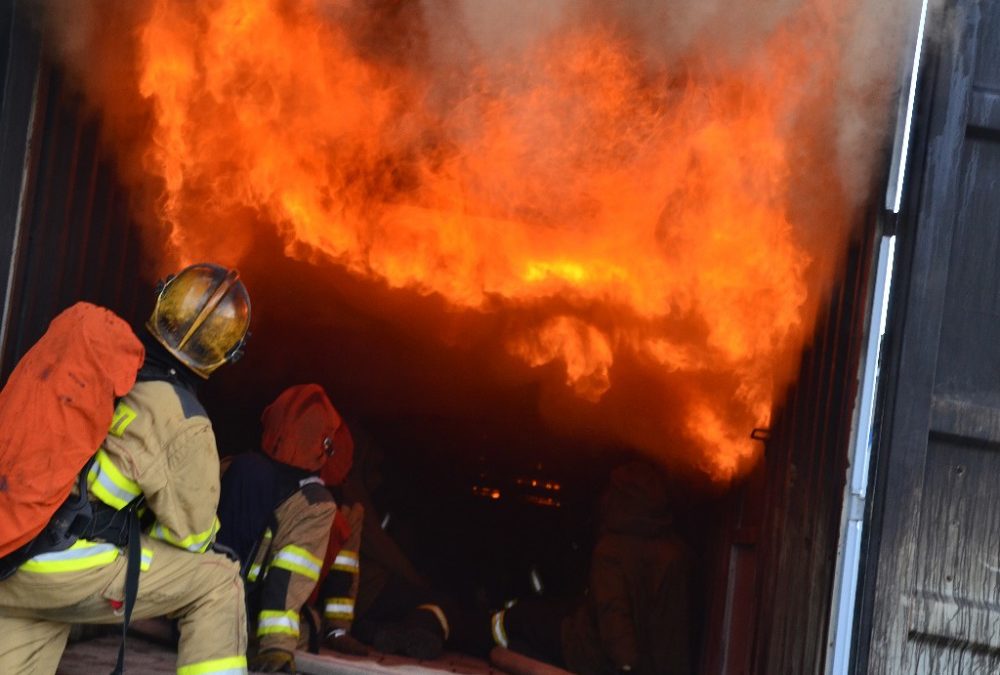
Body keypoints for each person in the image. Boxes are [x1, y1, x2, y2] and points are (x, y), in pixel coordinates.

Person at [0, 262, 252, 675]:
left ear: (162, 304)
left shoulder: (106, 367)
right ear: (226, 353)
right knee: (218, 581)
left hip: (15, 551)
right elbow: (192, 535)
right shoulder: (182, 418)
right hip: (64, 566)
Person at [489, 460, 696, 675]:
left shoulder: (612, 550)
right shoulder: (675, 553)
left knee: (521, 621)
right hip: (652, 665)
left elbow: (613, 611)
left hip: (597, 660)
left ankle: (472, 632)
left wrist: (627, 665)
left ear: (620, 499)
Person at [216, 383, 365, 673]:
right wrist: (277, 649)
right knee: (311, 627)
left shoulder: (229, 467)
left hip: (193, 614)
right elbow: (288, 579)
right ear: (326, 447)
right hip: (247, 630)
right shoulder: (315, 503)